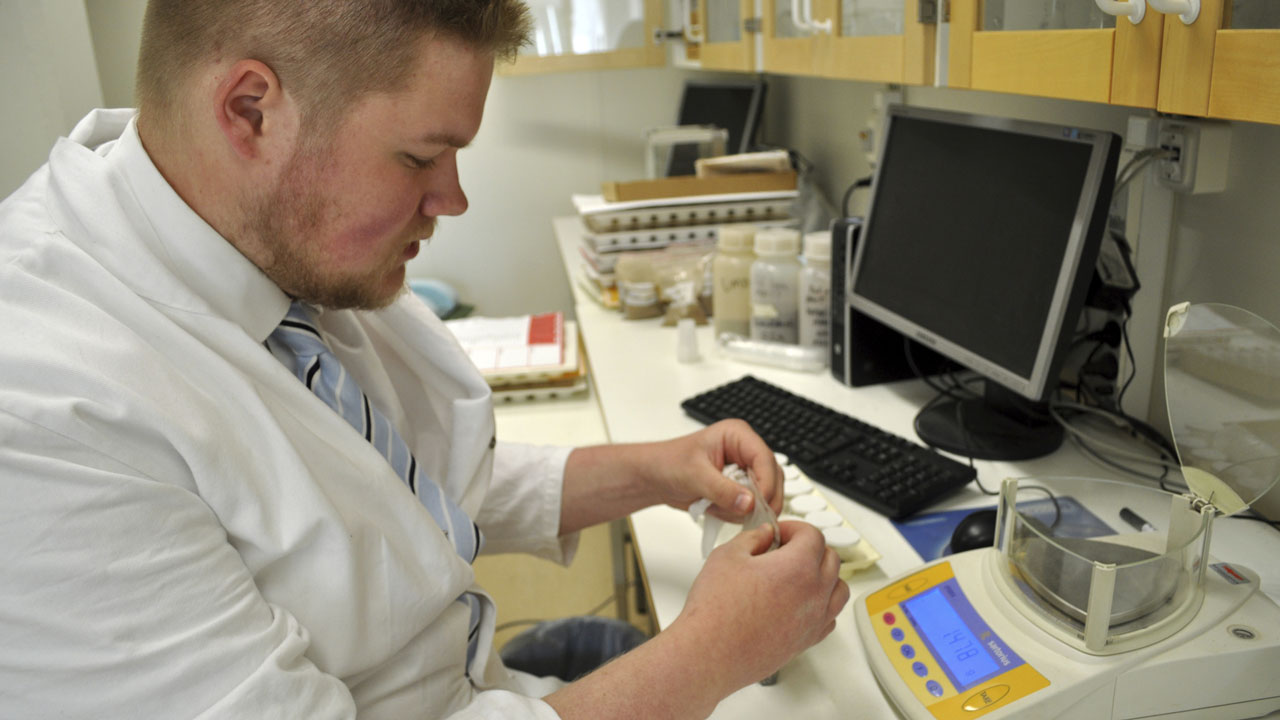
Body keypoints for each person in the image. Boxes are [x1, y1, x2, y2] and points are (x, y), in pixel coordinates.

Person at [0, 1, 849, 718]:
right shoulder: (45, 409)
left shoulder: (245, 239)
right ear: (250, 110)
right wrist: (708, 653)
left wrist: (655, 471)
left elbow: (386, 478)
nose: (452, 199)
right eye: (418, 158)